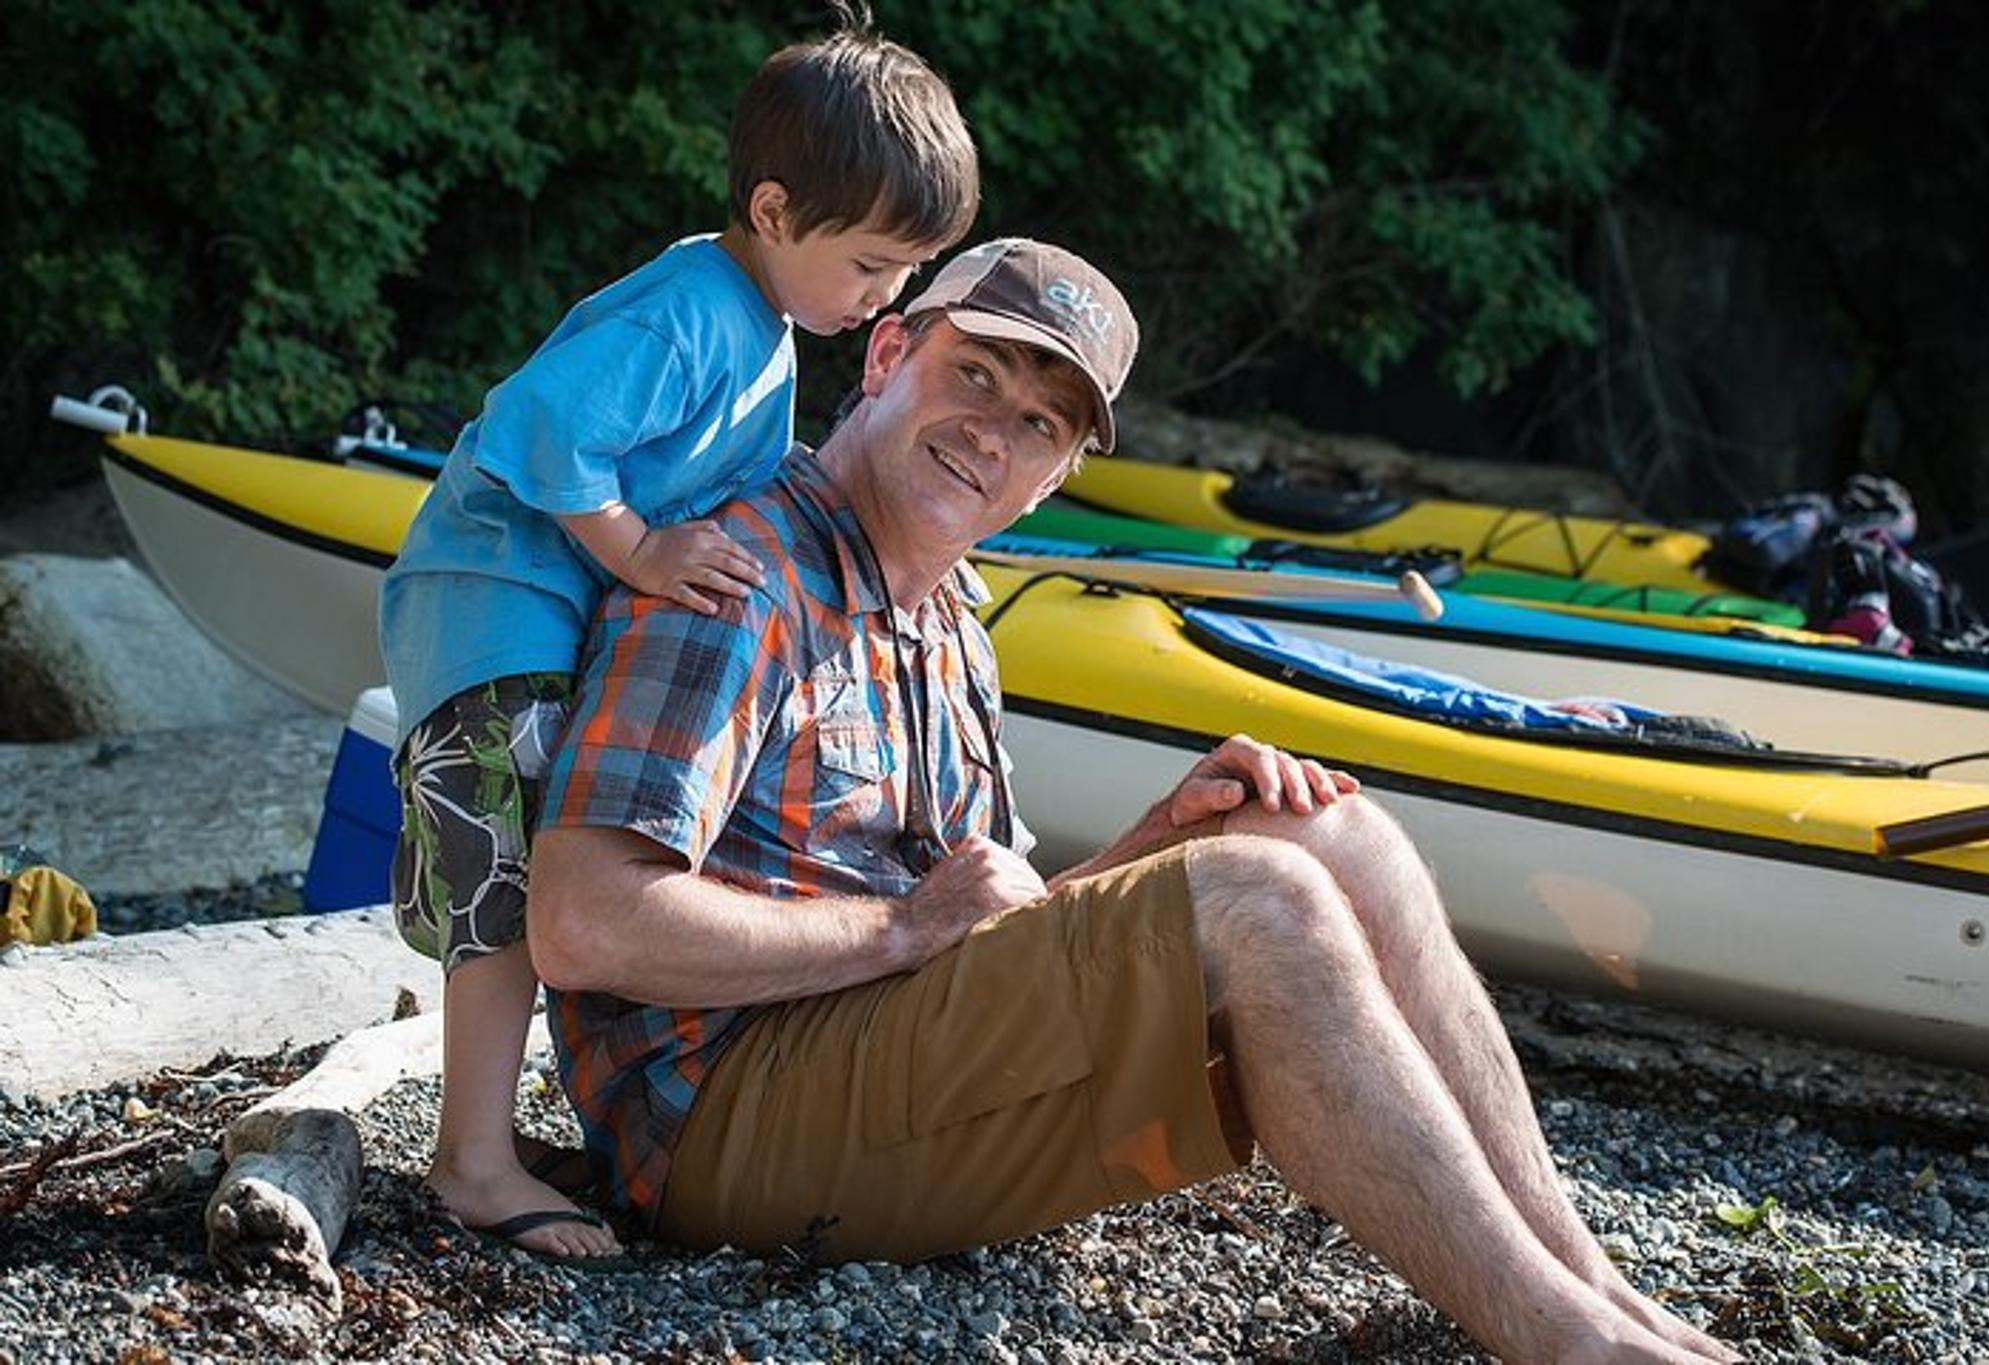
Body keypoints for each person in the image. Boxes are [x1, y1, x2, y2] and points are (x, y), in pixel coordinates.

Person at [524, 238, 1738, 1361]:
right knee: (1257, 900)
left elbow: (981, 933)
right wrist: (905, 928)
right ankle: (1563, 1343)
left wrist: (1156, 845)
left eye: (1040, 420)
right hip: (718, 1125)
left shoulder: (951, 625)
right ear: (886, 353)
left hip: (873, 1057)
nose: (993, 430)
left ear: (1056, 475)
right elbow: (581, 923)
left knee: (1323, 830)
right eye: (976, 374)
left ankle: (1596, 1289)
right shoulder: (744, 577)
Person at [375, 10, 978, 1261]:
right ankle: (473, 1163)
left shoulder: (760, 323)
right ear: (772, 210)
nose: (887, 298)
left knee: (534, 862)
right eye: (872, 267)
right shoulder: (692, 313)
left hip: (539, 615)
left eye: (907, 274)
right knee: (503, 892)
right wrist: (640, 556)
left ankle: (482, 1136)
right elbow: (535, 428)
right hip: (496, 607)